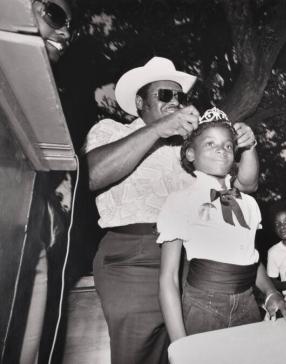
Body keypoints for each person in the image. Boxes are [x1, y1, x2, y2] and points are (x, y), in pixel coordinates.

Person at [84, 58, 259, 364]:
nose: (176, 102)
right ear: (140, 102)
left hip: (194, 267)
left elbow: (244, 191)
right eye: (165, 95)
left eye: (180, 97)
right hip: (134, 259)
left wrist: (245, 147)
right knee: (138, 355)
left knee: (199, 354)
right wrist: (157, 130)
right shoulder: (111, 129)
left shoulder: (190, 148)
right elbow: (94, 173)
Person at [157, 109, 286, 341]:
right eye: (210, 144)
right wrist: (179, 343)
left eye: (228, 146)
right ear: (190, 153)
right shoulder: (180, 201)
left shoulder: (247, 204)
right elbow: (168, 278)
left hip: (248, 304)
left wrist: (270, 292)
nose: (221, 149)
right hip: (203, 308)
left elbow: (249, 258)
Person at [19, 1, 74, 363]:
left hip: (32, 233)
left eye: (71, 25)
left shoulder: (48, 94)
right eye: (55, 14)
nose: (66, 32)